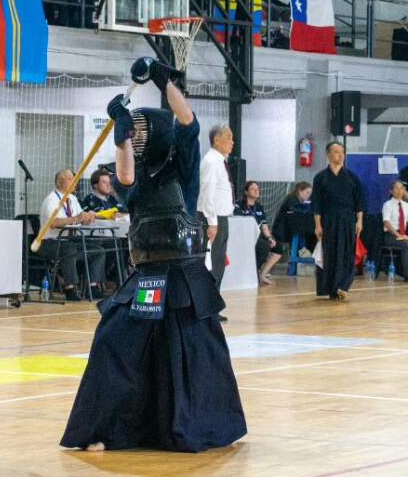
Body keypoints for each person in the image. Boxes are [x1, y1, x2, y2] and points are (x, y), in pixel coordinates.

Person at [61, 57, 246, 453]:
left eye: (143, 132)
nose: (140, 138)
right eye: (136, 133)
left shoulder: (184, 167)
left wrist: (164, 80)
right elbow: (125, 178)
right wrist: (120, 133)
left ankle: (201, 424)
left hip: (185, 276)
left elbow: (189, 121)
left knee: (194, 349)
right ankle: (107, 425)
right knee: (115, 338)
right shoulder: (135, 176)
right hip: (148, 277)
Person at [38, 169, 106, 301]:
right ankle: (70, 288)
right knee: (69, 249)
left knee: (98, 250)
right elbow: (54, 222)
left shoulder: (73, 199)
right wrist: (77, 218)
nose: (76, 182)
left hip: (70, 240)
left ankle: (92, 287)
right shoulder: (51, 199)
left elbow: (79, 218)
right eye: (71, 179)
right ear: (60, 182)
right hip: (49, 242)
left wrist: (88, 217)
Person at [312, 141, 364, 300]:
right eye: (336, 152)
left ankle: (344, 286)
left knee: (347, 253)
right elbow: (317, 203)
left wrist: (359, 221)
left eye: (342, 152)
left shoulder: (352, 177)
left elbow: (360, 202)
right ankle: (331, 288)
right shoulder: (320, 177)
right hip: (329, 220)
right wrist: (318, 225)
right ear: (328, 155)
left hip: (348, 219)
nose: (340, 155)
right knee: (330, 253)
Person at [197, 123, 234, 320]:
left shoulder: (219, 161)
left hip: (220, 217)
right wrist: (212, 222)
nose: (232, 142)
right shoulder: (212, 161)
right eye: (229, 138)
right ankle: (208, 308)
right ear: (217, 140)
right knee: (211, 263)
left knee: (218, 263)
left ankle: (212, 307)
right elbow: (207, 193)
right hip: (212, 218)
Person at [234, 181, 284, 285]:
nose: (257, 191)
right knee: (263, 247)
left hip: (257, 235)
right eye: (253, 189)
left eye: (257, 189)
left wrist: (269, 238)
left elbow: (264, 226)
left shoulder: (259, 207)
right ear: (246, 192)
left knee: (277, 247)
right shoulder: (238, 205)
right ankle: (251, 273)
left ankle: (262, 274)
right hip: (243, 236)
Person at [271, 181, 316, 251]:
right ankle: (302, 253)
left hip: (290, 228)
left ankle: (306, 252)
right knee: (308, 232)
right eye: (307, 192)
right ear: (300, 191)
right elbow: (297, 212)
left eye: (310, 193)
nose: (309, 195)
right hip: (282, 230)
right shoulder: (291, 199)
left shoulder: (299, 200)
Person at [381, 180, 408, 280]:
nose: (399, 191)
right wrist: (398, 235)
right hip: (391, 235)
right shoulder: (388, 205)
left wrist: (404, 235)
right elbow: (386, 223)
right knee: (406, 244)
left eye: (402, 188)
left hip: (403, 234)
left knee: (405, 241)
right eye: (396, 188)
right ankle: (407, 274)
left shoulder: (406, 206)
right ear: (391, 191)